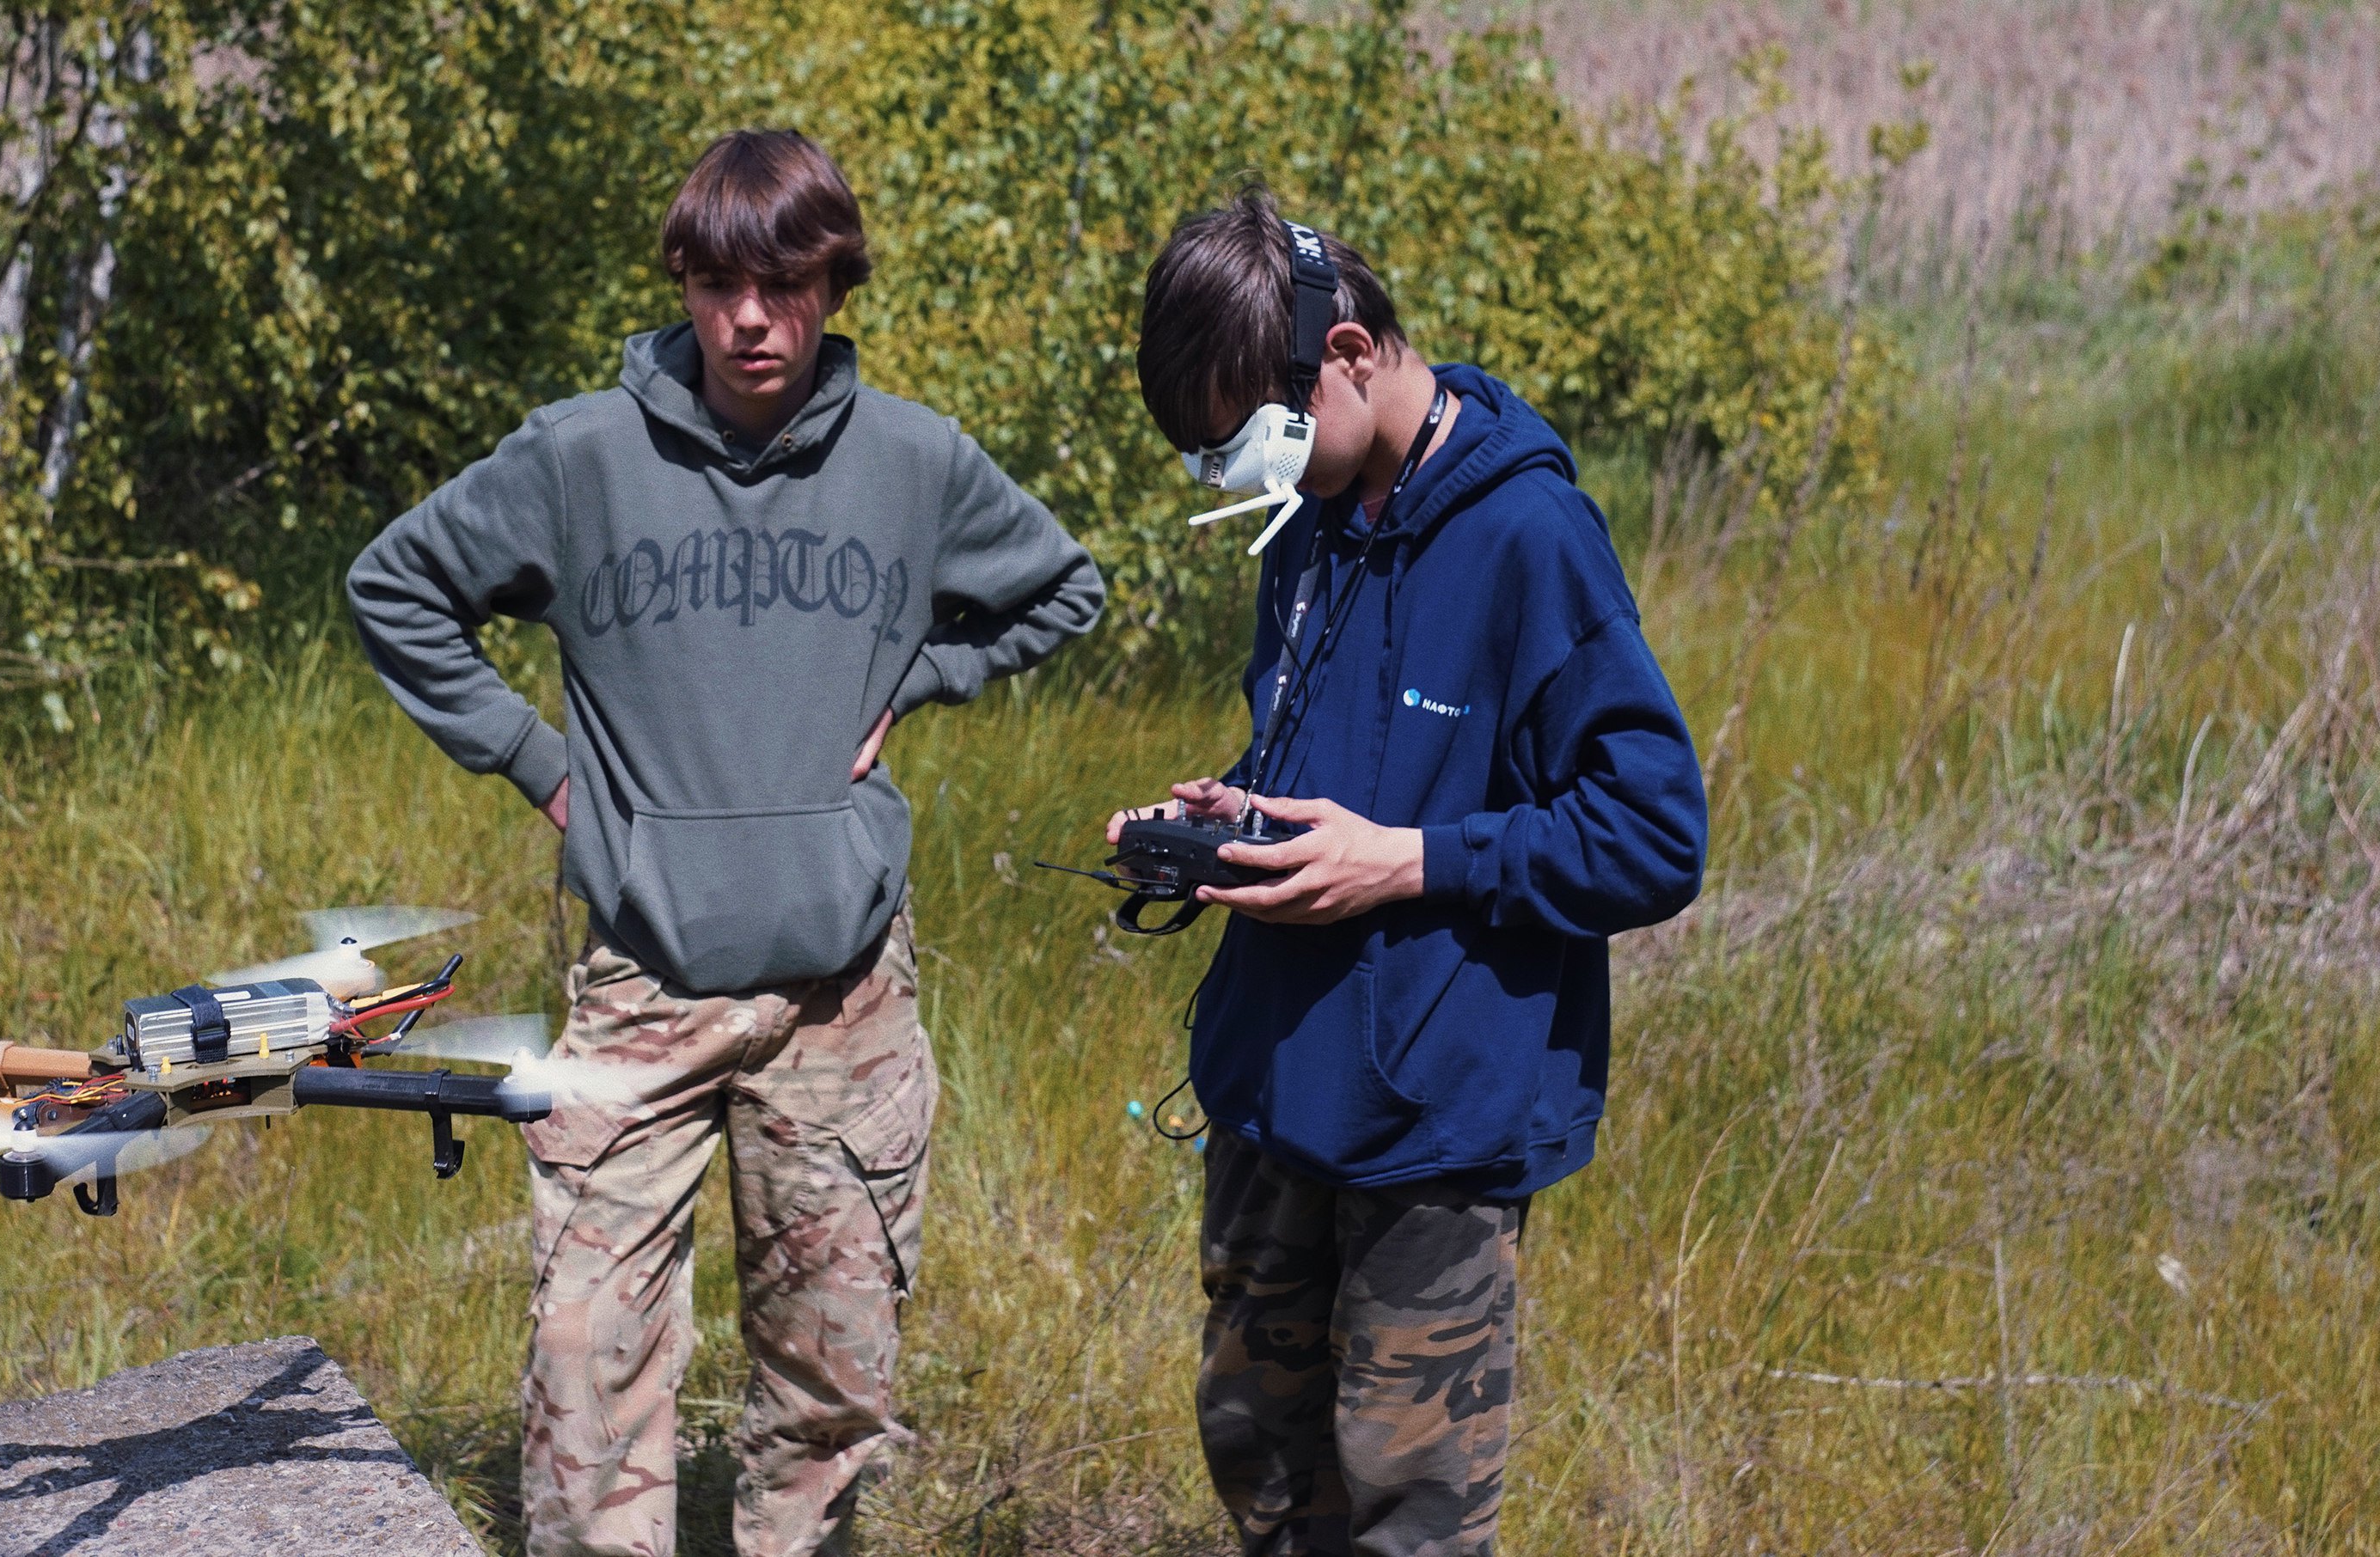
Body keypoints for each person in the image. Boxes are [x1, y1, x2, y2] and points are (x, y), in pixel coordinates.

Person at [347, 130, 1104, 1557]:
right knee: (586, 1358)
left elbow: (1060, 591)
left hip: (844, 995)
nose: (750, 320)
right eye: (717, 287)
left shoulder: (914, 461)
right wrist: (537, 764)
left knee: (834, 1366)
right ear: (683, 287)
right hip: (641, 976)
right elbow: (397, 585)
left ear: (834, 283)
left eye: (786, 285)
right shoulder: (578, 458)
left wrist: (923, 678)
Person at [1111, 186, 1707, 1556]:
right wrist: (1232, 816)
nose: (1243, 481)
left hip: (1432, 1122)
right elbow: (1343, 756)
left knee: (1405, 1502)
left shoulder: (1528, 539)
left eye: (1253, 439)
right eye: (1211, 461)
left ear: (1350, 354)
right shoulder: (1312, 521)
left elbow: (1652, 831)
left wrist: (1411, 865)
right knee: (1258, 1449)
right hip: (1276, 1084)